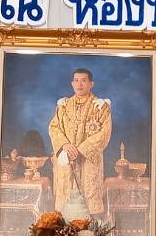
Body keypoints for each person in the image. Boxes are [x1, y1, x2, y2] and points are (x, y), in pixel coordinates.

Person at [48, 68, 112, 215]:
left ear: (91, 84)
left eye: (83, 80)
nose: (79, 84)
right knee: (65, 209)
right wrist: (65, 145)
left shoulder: (100, 106)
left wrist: (81, 150)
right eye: (76, 80)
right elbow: (54, 127)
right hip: (67, 159)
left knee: (89, 207)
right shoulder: (63, 105)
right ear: (72, 83)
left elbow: (104, 133)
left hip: (89, 161)